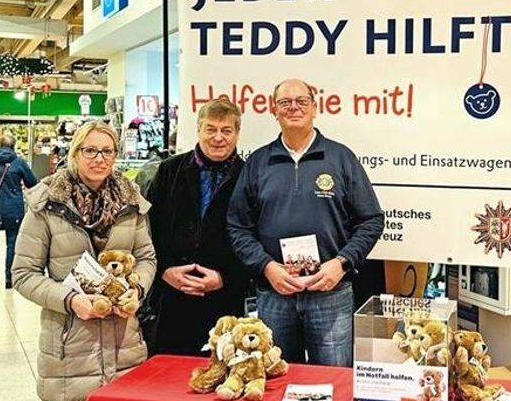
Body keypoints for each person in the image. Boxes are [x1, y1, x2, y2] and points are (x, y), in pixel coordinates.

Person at [11, 121, 156, 401]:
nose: (98, 159)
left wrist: (137, 290)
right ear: (75, 153)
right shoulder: (47, 204)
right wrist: (71, 300)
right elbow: (24, 274)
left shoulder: (131, 202)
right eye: (89, 150)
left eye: (106, 151)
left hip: (124, 345)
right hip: (72, 347)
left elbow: (147, 258)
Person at [228, 79, 383, 366]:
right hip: (274, 292)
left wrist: (342, 263)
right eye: (285, 102)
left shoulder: (341, 158)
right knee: (275, 376)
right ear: (274, 111)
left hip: (330, 293)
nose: (294, 107)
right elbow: (238, 227)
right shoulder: (258, 163)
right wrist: (266, 266)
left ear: (314, 107)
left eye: (301, 101)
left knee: (333, 379)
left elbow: (371, 221)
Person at [145, 98, 248, 355]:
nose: (218, 138)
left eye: (226, 130)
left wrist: (226, 278)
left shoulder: (249, 177)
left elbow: (255, 236)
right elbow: (148, 227)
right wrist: (164, 270)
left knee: (220, 370)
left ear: (237, 134)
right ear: (198, 130)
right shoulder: (169, 171)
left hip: (225, 301)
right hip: (170, 300)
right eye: (210, 129)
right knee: (168, 372)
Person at [0, 134, 37, 288]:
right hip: (14, 207)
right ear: (13, 146)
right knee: (12, 241)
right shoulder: (19, 162)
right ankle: (9, 278)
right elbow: (32, 182)